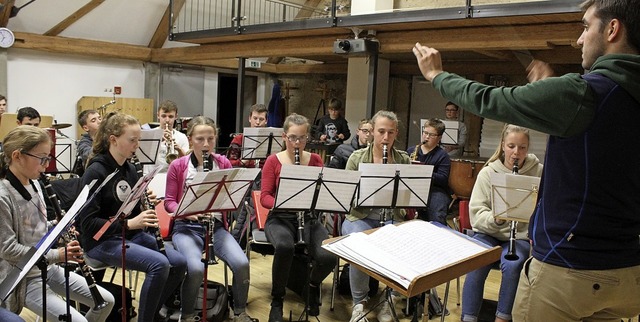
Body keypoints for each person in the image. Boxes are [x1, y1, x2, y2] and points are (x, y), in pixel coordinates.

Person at [413, 0, 640, 319]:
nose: (579, 39)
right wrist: (551, 93)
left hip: (570, 269)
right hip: (628, 271)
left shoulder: (583, 93)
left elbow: (489, 99)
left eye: (586, 27)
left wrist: (437, 74)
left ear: (613, 29)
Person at [77, 112, 187, 322]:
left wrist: (144, 203)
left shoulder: (130, 168)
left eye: (139, 140)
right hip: (101, 241)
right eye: (132, 140)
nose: (137, 145)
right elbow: (88, 224)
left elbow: (130, 210)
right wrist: (130, 223)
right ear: (113, 139)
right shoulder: (96, 171)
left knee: (179, 262)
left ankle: (152, 311)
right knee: (159, 264)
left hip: (129, 235)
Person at [0, 125, 115, 322]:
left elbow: (38, 227)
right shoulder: (3, 196)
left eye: (48, 158)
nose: (46, 165)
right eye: (41, 158)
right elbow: (7, 249)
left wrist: (57, 226)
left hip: (46, 268)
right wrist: (57, 255)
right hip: (23, 278)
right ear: (17, 156)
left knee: (107, 301)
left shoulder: (35, 183)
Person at [164, 116, 254, 322]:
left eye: (210, 139)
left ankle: (240, 312)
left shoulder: (223, 163)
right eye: (200, 139)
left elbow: (232, 197)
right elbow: (169, 202)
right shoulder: (178, 166)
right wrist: (188, 211)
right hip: (186, 227)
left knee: (241, 263)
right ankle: (186, 316)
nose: (206, 145)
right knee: (195, 269)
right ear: (190, 139)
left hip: (216, 227)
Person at [462, 124, 543, 322]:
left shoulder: (539, 172)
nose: (516, 153)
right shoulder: (488, 173)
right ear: (503, 145)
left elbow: (545, 209)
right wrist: (496, 218)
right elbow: (477, 215)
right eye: (511, 146)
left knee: (513, 265)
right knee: (477, 263)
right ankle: (469, 318)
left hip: (520, 237)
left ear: (528, 148)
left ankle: (503, 318)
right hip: (488, 234)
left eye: (522, 148)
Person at [260, 113, 336, 322]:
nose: (297, 143)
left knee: (329, 256)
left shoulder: (315, 160)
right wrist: (283, 201)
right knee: (285, 247)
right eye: (292, 137)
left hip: (308, 220)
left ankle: (311, 286)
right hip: (280, 219)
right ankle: (277, 300)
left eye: (302, 138)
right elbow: (264, 197)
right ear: (284, 137)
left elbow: (325, 192)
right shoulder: (273, 161)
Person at [343, 110, 411, 322]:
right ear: (372, 132)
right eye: (381, 131)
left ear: (396, 133)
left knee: (404, 245)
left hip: (391, 217)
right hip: (359, 217)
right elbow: (345, 196)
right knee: (359, 243)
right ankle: (359, 304)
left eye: (391, 133)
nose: (386, 137)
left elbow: (409, 198)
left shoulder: (403, 160)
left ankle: (389, 300)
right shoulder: (356, 158)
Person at [406, 118, 451, 225]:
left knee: (437, 213)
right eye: (425, 133)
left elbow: (443, 179)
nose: (427, 137)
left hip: (434, 190)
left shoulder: (443, 155)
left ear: (439, 138)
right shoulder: (411, 151)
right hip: (413, 187)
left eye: (431, 135)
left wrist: (424, 171)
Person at [152, 100, 190, 172]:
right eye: (163, 116)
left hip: (174, 175)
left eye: (170, 116)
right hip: (152, 174)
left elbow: (186, 162)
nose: (167, 120)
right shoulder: (151, 134)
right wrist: (159, 140)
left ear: (176, 117)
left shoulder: (182, 137)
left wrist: (179, 150)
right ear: (158, 116)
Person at [227, 103, 268, 168]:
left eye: (261, 119)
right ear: (249, 118)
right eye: (255, 118)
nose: (257, 122)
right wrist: (242, 161)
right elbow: (229, 163)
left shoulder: (270, 140)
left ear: (266, 121)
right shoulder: (238, 139)